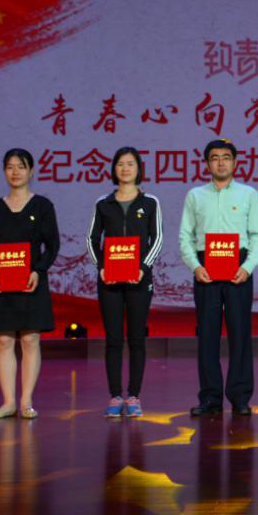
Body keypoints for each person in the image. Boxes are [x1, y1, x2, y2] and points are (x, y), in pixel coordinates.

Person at [178, 139, 258, 416]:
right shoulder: (195, 195)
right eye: (215, 157)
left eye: (226, 157)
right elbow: (185, 236)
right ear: (207, 163)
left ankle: (240, 397)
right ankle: (210, 398)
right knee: (207, 335)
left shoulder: (248, 194)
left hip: (238, 267)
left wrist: (247, 267)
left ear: (235, 163)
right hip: (205, 267)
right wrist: (195, 266)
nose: (220, 162)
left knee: (240, 334)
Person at [0, 149, 60, 420]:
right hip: (1, 283)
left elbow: (52, 244)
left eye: (21, 167)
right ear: (4, 171)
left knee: (31, 339)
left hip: (31, 282)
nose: (15, 172)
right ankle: (8, 402)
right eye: (10, 167)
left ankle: (26, 401)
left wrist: (38, 270)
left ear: (31, 171)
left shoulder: (42, 206)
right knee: (3, 340)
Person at [87, 146, 163, 419]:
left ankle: (133, 396)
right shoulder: (103, 203)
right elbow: (92, 239)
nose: (125, 168)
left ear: (138, 168)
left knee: (136, 339)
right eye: (120, 163)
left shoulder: (150, 202)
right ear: (114, 169)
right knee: (113, 339)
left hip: (139, 281)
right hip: (109, 281)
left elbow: (157, 239)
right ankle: (115, 395)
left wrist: (143, 268)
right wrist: (101, 267)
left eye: (131, 163)